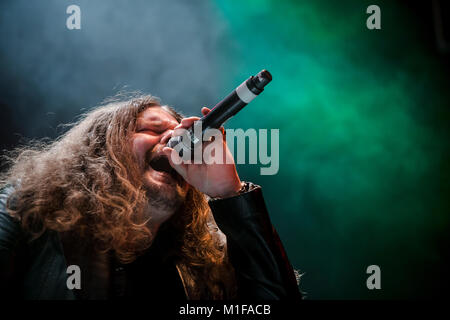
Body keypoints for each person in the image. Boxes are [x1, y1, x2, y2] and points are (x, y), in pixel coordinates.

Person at [0, 95, 301, 300]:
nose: (174, 142)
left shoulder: (202, 265)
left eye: (183, 139)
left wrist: (229, 193)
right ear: (100, 152)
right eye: (152, 130)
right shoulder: (27, 209)